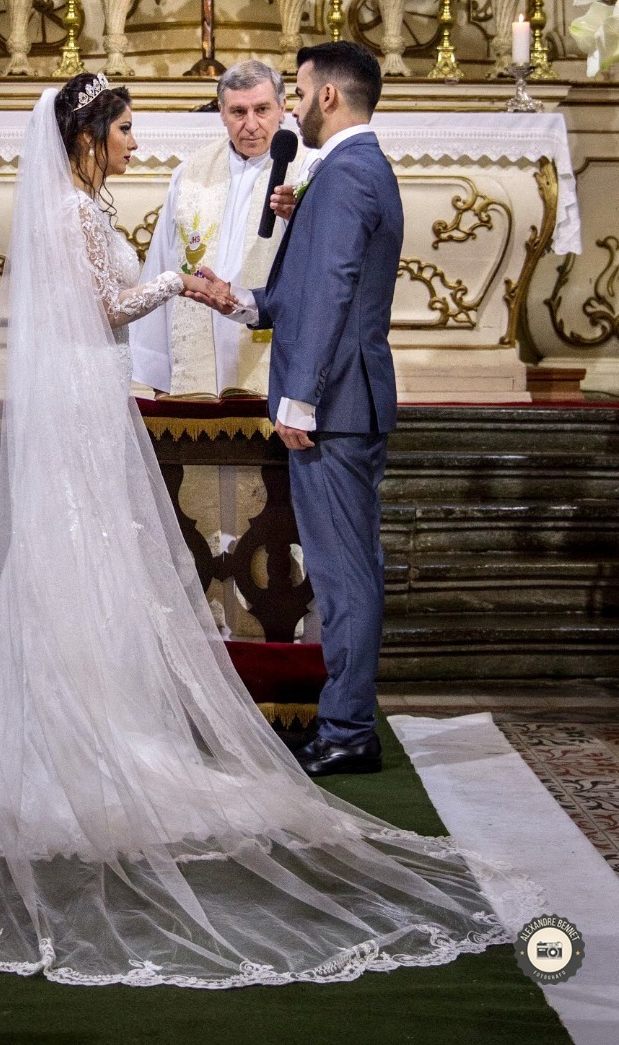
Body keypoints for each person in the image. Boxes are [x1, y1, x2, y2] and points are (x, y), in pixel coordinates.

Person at [0, 72, 537, 986]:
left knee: (91, 554)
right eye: (123, 131)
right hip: (87, 393)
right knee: (82, 552)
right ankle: (81, 732)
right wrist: (181, 282)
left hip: (101, 393)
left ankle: (104, 719)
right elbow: (105, 304)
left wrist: (216, 291)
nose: (134, 143)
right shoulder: (78, 210)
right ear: (88, 137)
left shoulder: (123, 196)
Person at [210, 41, 403, 779]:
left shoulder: (348, 172)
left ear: (327, 96)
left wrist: (299, 398)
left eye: (294, 93)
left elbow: (331, 295)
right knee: (343, 567)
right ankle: (345, 719)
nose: (288, 107)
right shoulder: (349, 171)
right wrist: (240, 299)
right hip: (346, 400)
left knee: (345, 572)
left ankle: (349, 728)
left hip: (337, 405)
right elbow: (312, 290)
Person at [130, 61, 306, 400]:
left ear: (282, 108)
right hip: (198, 365)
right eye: (238, 112)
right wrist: (159, 373)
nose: (251, 124)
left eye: (262, 109)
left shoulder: (305, 169)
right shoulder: (191, 173)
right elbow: (163, 265)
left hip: (278, 358)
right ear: (221, 113)